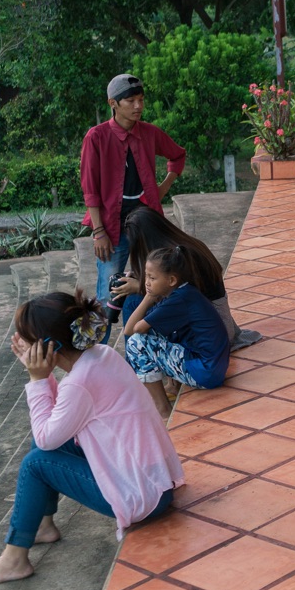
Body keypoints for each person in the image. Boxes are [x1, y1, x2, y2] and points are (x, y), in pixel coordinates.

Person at [0, 291, 181, 589]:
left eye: (27, 340)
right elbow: (50, 431)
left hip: (141, 495)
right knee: (43, 442)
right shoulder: (101, 356)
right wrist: (45, 377)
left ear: (47, 347)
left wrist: (38, 379)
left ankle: (14, 559)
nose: (23, 347)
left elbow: (46, 435)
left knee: (36, 462)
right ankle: (41, 524)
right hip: (154, 480)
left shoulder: (79, 385)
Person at [80, 74, 186, 327]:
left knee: (157, 284)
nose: (138, 106)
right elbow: (90, 189)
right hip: (110, 228)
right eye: (130, 100)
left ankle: (150, 346)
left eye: (141, 100)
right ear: (113, 103)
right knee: (107, 295)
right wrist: (98, 231)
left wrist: (163, 187)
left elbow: (177, 155)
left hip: (147, 225)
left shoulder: (149, 133)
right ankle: (101, 355)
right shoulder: (96, 138)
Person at [113, 206, 260, 349]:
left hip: (210, 334)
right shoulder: (182, 247)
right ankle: (136, 360)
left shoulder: (180, 260)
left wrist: (138, 287)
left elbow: (176, 299)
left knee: (134, 301)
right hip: (216, 322)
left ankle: (135, 361)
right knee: (139, 302)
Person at [124, 246, 231, 419]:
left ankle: (163, 410)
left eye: (152, 278)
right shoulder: (183, 293)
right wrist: (151, 296)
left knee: (136, 344)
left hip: (204, 372)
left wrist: (148, 298)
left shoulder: (179, 299)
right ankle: (171, 386)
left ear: (172, 280)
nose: (147, 283)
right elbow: (132, 328)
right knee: (152, 333)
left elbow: (133, 330)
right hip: (210, 368)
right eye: (146, 277)